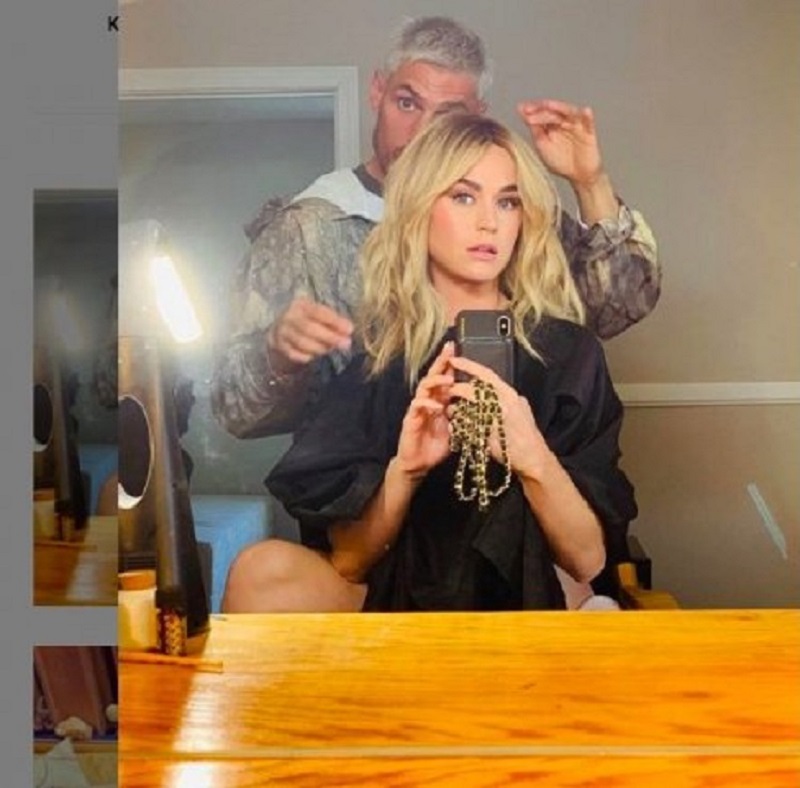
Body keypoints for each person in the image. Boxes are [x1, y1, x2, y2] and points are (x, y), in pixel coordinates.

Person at [221, 113, 637, 613]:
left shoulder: (569, 354)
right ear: (419, 208)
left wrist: (533, 459)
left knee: (576, 593)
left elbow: (588, 559)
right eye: (463, 196)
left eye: (507, 201)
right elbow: (350, 562)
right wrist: (405, 471)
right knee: (261, 570)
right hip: (399, 596)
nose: (489, 222)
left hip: (532, 598)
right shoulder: (374, 364)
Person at [210, 15, 660, 440]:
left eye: (446, 116)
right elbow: (235, 412)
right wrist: (278, 356)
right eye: (407, 103)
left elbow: (615, 308)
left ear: (477, 116)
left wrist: (590, 182)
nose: (421, 132)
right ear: (378, 91)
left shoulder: (505, 213)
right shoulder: (310, 230)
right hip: (357, 480)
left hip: (514, 474)